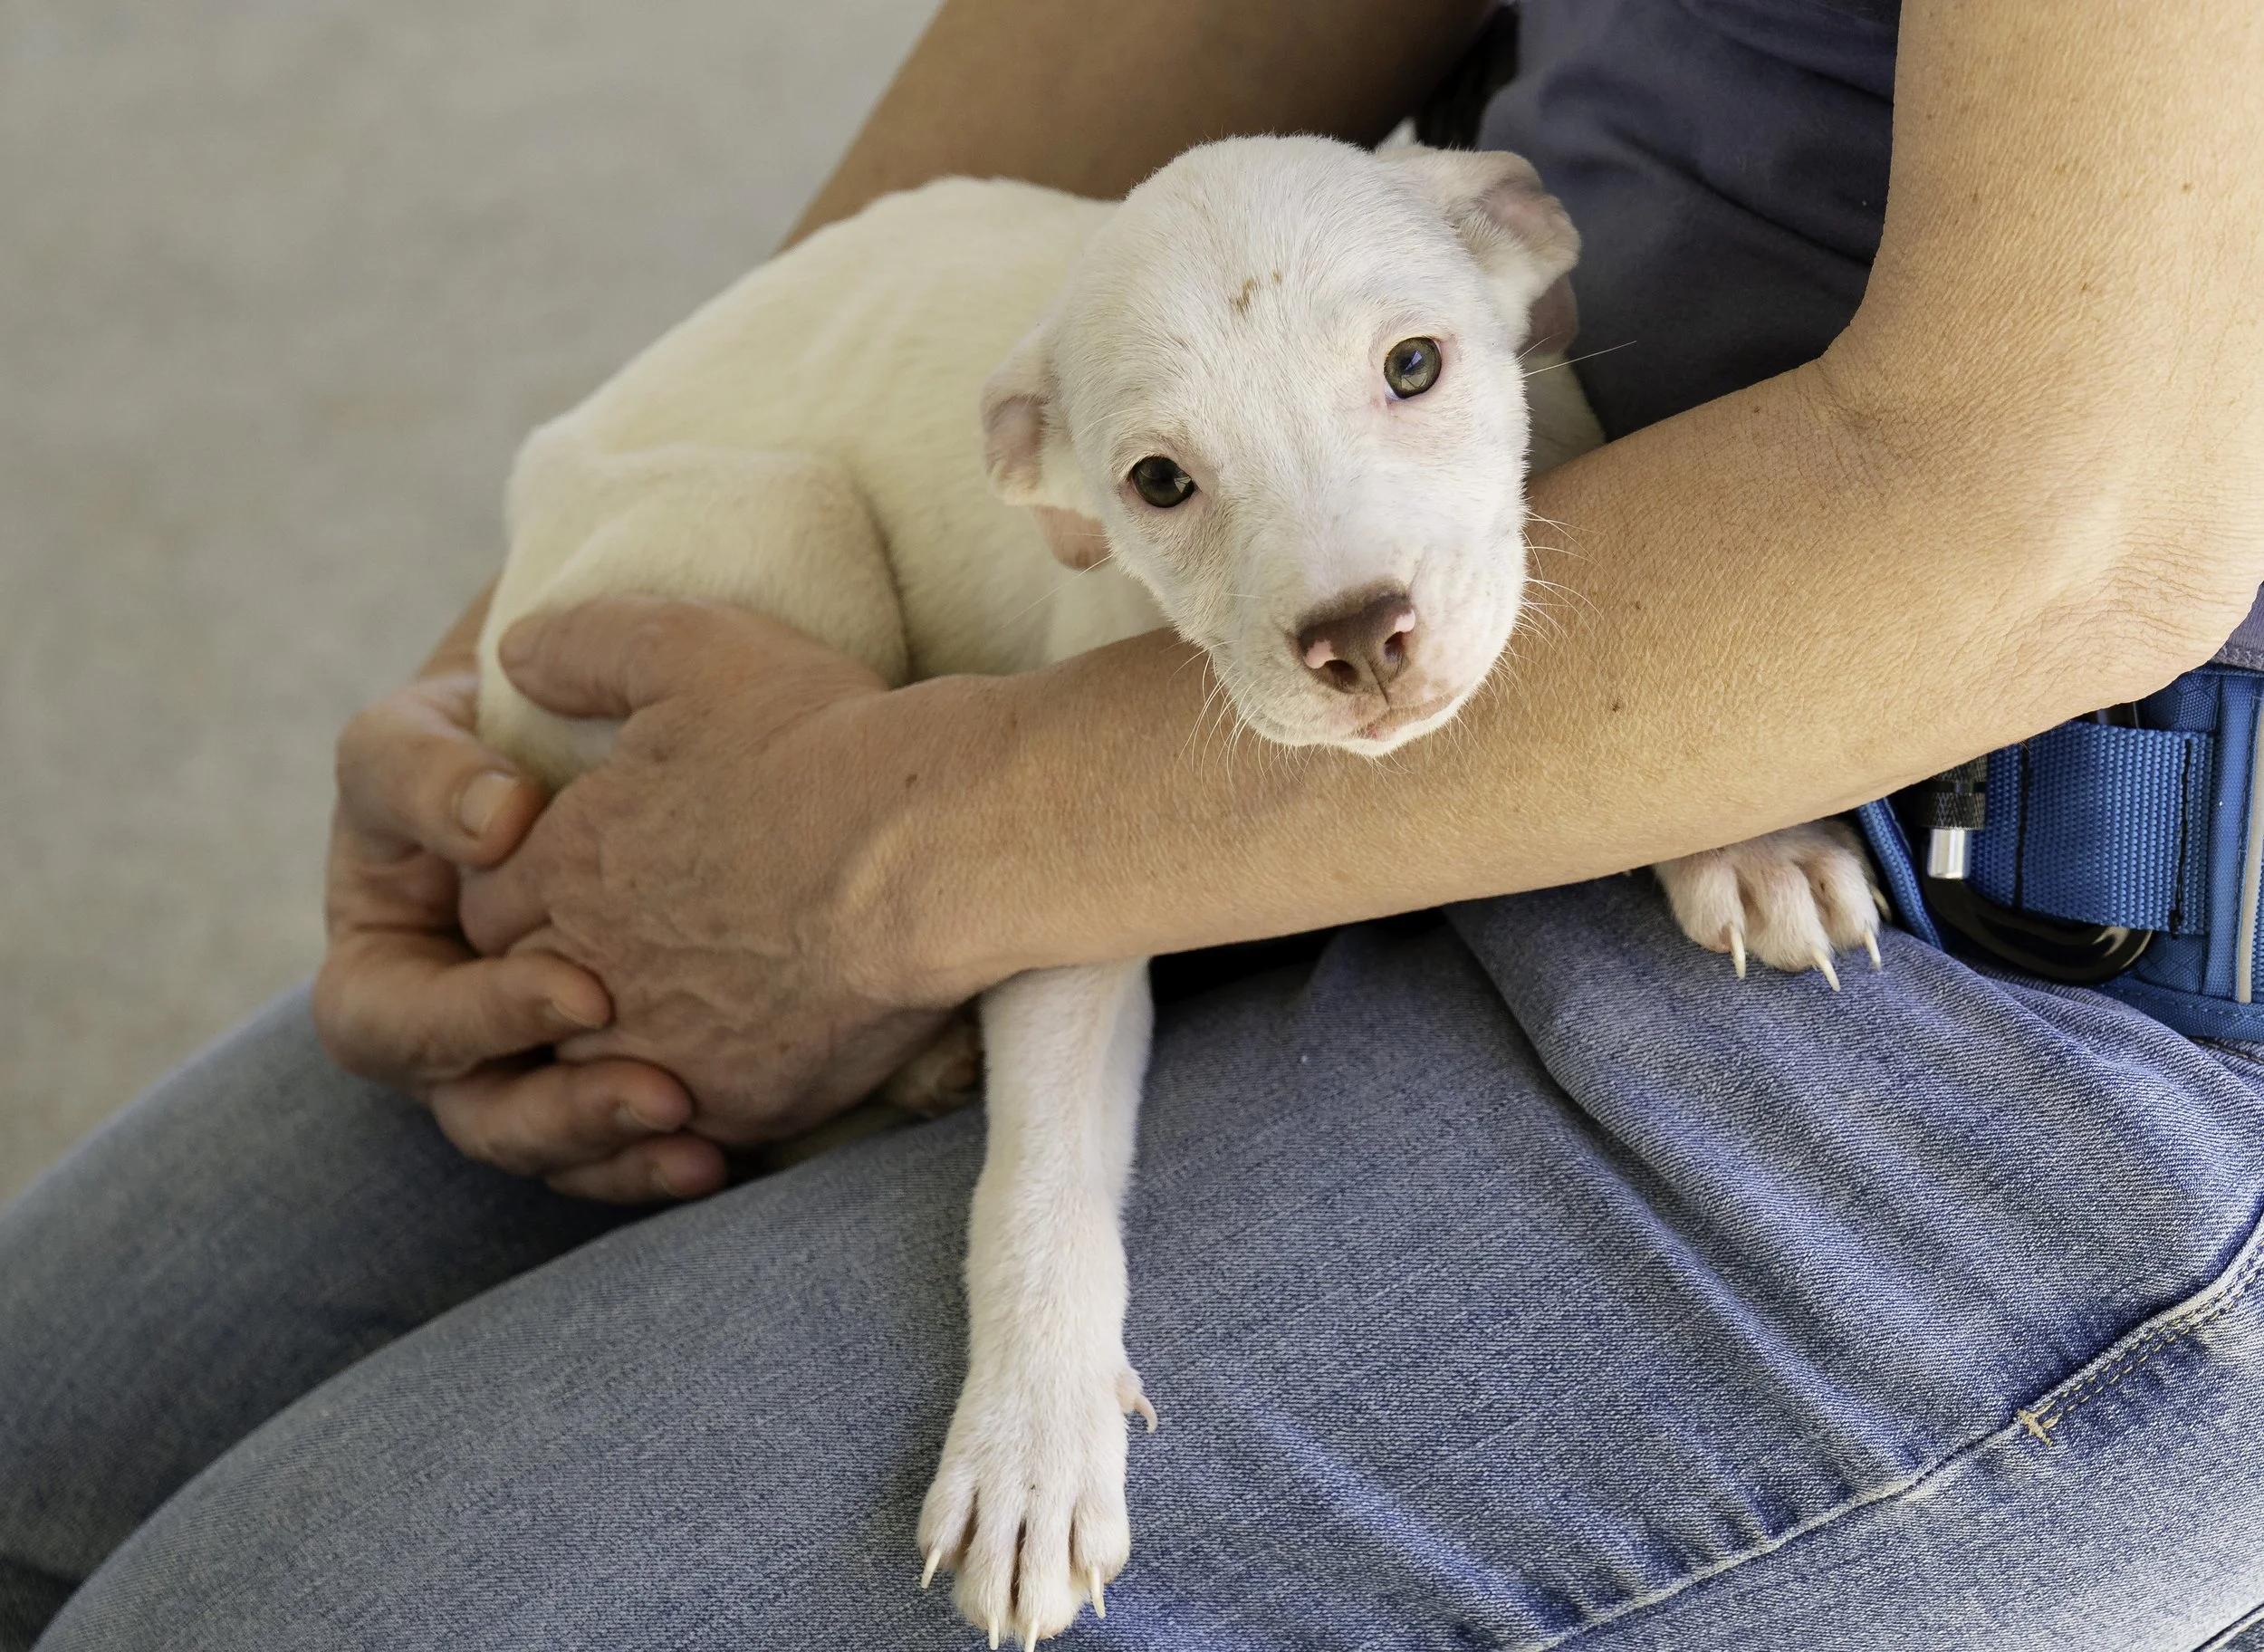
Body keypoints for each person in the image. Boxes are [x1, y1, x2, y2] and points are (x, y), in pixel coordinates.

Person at [6, 0, 2264, 1644]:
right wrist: (536, 647)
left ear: (1503, 269)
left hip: (2031, 910)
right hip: (1201, 699)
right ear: (1072, 491)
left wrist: (877, 863)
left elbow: (2064, 527)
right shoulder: (1194, 436)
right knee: (43, 1449)